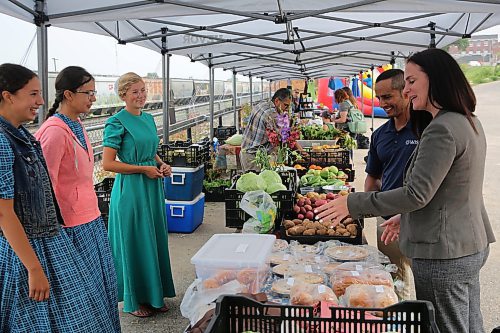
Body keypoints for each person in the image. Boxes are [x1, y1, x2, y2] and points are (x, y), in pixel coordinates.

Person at [315, 48, 495, 333]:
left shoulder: (442, 128)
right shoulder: (467, 120)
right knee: (469, 323)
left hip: (443, 251)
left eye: (411, 80)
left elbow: (416, 194)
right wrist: (406, 217)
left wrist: (352, 203)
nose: (407, 88)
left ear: (434, 78)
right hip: (468, 241)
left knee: (445, 326)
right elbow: (448, 189)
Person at [0, 63, 120, 332]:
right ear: (8, 96)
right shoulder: (7, 140)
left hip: (47, 235)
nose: (41, 101)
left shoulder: (18, 134)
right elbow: (4, 212)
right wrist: (33, 268)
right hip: (32, 243)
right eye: (32, 94)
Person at [34, 66, 121, 331]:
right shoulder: (54, 131)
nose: (94, 97)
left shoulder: (76, 124)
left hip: (89, 219)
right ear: (69, 95)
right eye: (89, 92)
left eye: (94, 92)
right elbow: (43, 186)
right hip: (69, 227)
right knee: (81, 295)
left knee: (98, 287)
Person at [102, 72, 176, 318]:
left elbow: (150, 151)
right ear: (123, 95)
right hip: (131, 190)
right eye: (135, 92)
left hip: (152, 187)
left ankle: (155, 295)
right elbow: (108, 164)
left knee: (152, 239)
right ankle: (134, 301)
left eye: (143, 90)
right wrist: (143, 169)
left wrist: (161, 164)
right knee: (135, 241)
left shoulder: (148, 118)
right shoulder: (116, 122)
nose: (141, 95)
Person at [365, 68, 417, 300]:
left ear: (405, 93)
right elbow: (373, 177)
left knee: (427, 280)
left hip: (419, 219)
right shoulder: (380, 134)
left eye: (388, 97)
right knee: (395, 281)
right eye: (379, 98)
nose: (382, 103)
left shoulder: (426, 128)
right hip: (387, 222)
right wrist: (368, 206)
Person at [240, 88, 305, 171]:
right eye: (285, 105)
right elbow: (286, 138)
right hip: (254, 156)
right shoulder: (272, 114)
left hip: (246, 153)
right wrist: (303, 153)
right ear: (277, 101)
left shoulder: (261, 104)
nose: (287, 109)